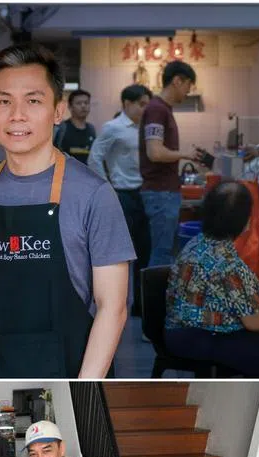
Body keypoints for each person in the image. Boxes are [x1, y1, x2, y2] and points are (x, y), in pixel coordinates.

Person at [0, 43, 133, 378]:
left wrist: (84, 386)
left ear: (58, 111)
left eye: (33, 101)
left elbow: (113, 307)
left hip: (63, 368)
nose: (17, 115)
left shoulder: (93, 194)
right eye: (4, 102)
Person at [164, 181, 259, 378]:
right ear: (244, 221)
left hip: (175, 332)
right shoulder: (228, 265)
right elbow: (256, 322)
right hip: (202, 338)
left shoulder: (195, 243)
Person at [89, 84, 153, 316]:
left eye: (147, 104)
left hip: (145, 193)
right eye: (141, 104)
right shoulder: (113, 128)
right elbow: (94, 158)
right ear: (127, 103)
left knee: (145, 251)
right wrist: (108, 189)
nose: (144, 109)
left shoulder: (147, 128)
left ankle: (140, 305)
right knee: (123, 254)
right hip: (123, 194)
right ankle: (114, 306)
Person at [140, 60, 207, 269]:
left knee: (164, 251)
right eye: (188, 85)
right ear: (177, 81)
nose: (188, 92)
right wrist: (185, 154)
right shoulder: (157, 110)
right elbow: (155, 152)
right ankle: (154, 302)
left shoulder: (162, 110)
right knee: (161, 253)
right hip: (161, 193)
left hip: (165, 192)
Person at [54, 89, 96, 165]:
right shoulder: (61, 128)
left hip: (86, 174)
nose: (83, 106)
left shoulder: (91, 129)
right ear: (70, 107)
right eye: (79, 103)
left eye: (86, 103)